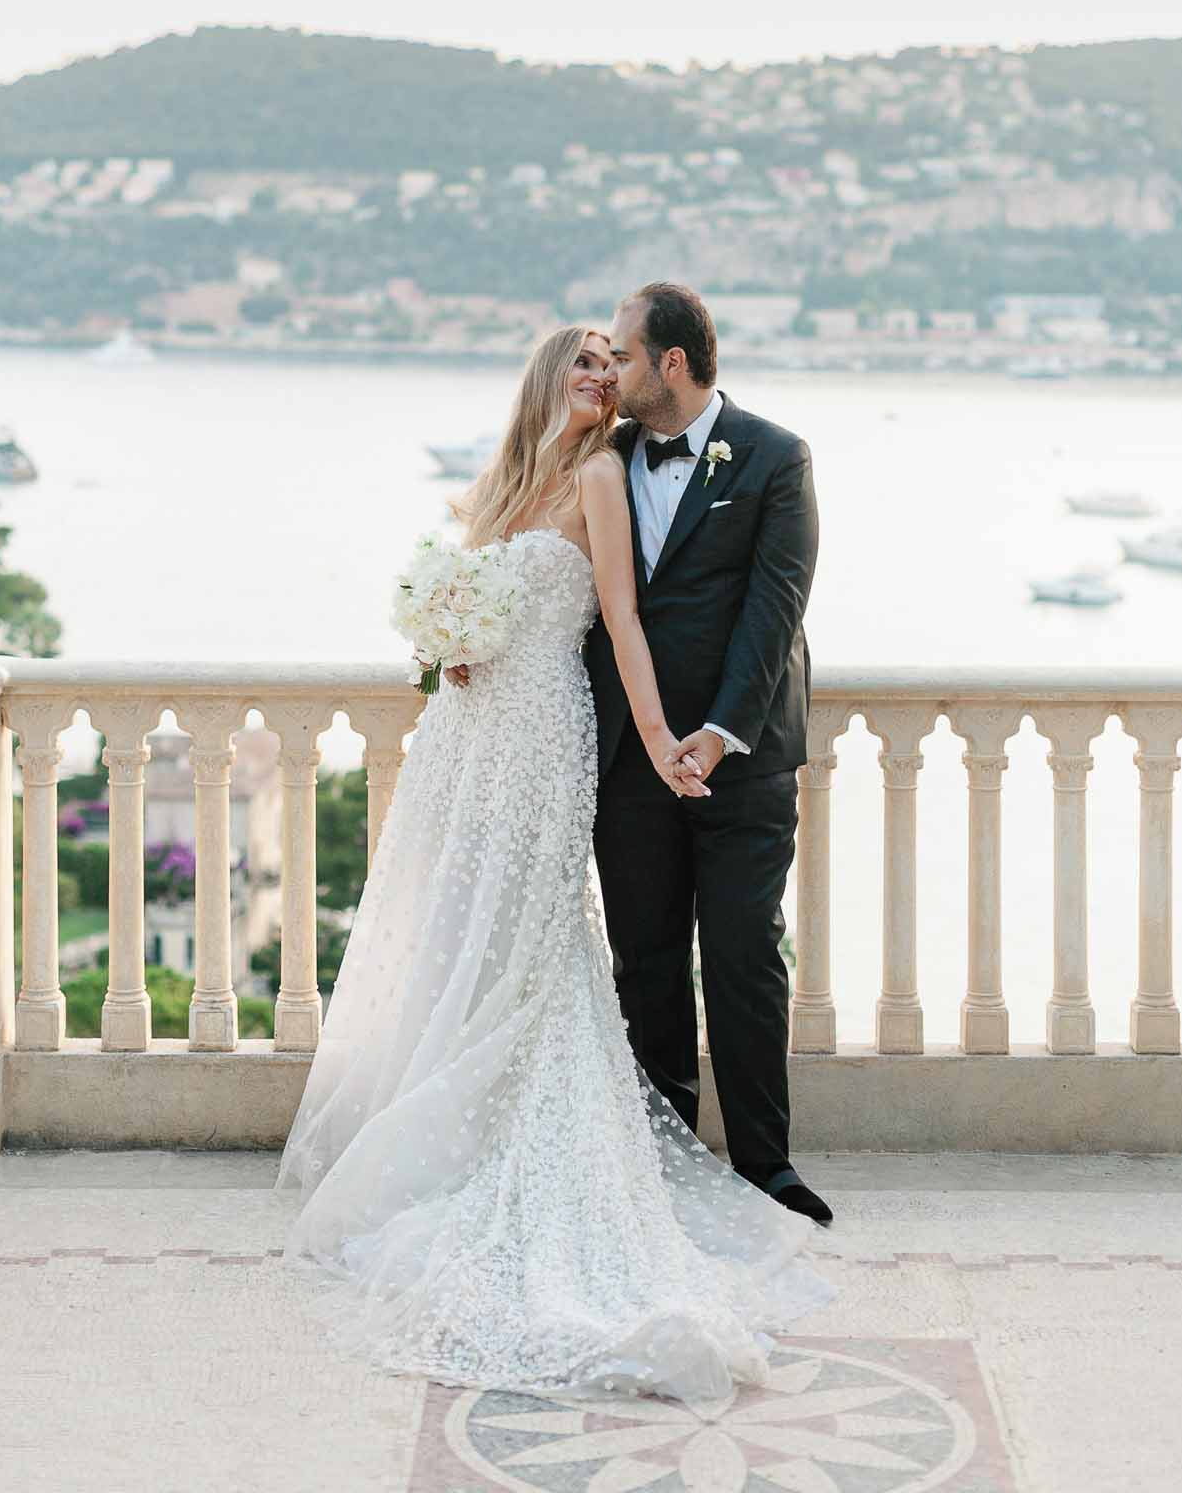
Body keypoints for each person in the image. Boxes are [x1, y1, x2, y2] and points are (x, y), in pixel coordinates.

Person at [275, 324, 834, 1405]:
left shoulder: (606, 473)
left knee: (557, 938)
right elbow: (471, 602)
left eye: (610, 361)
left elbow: (623, 619)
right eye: (582, 361)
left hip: (552, 737)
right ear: (546, 376)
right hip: (471, 737)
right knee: (460, 928)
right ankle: (446, 1129)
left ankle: (709, 1160)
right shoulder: (504, 483)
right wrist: (446, 642)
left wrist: (670, 735)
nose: (599, 374)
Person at [588, 283, 831, 1229]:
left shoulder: (775, 456)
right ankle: (665, 1158)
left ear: (673, 363)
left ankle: (766, 1165)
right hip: (629, 755)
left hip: (745, 756)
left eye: (623, 355)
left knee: (743, 954)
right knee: (644, 959)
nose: (612, 371)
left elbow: (776, 608)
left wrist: (722, 733)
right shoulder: (600, 456)